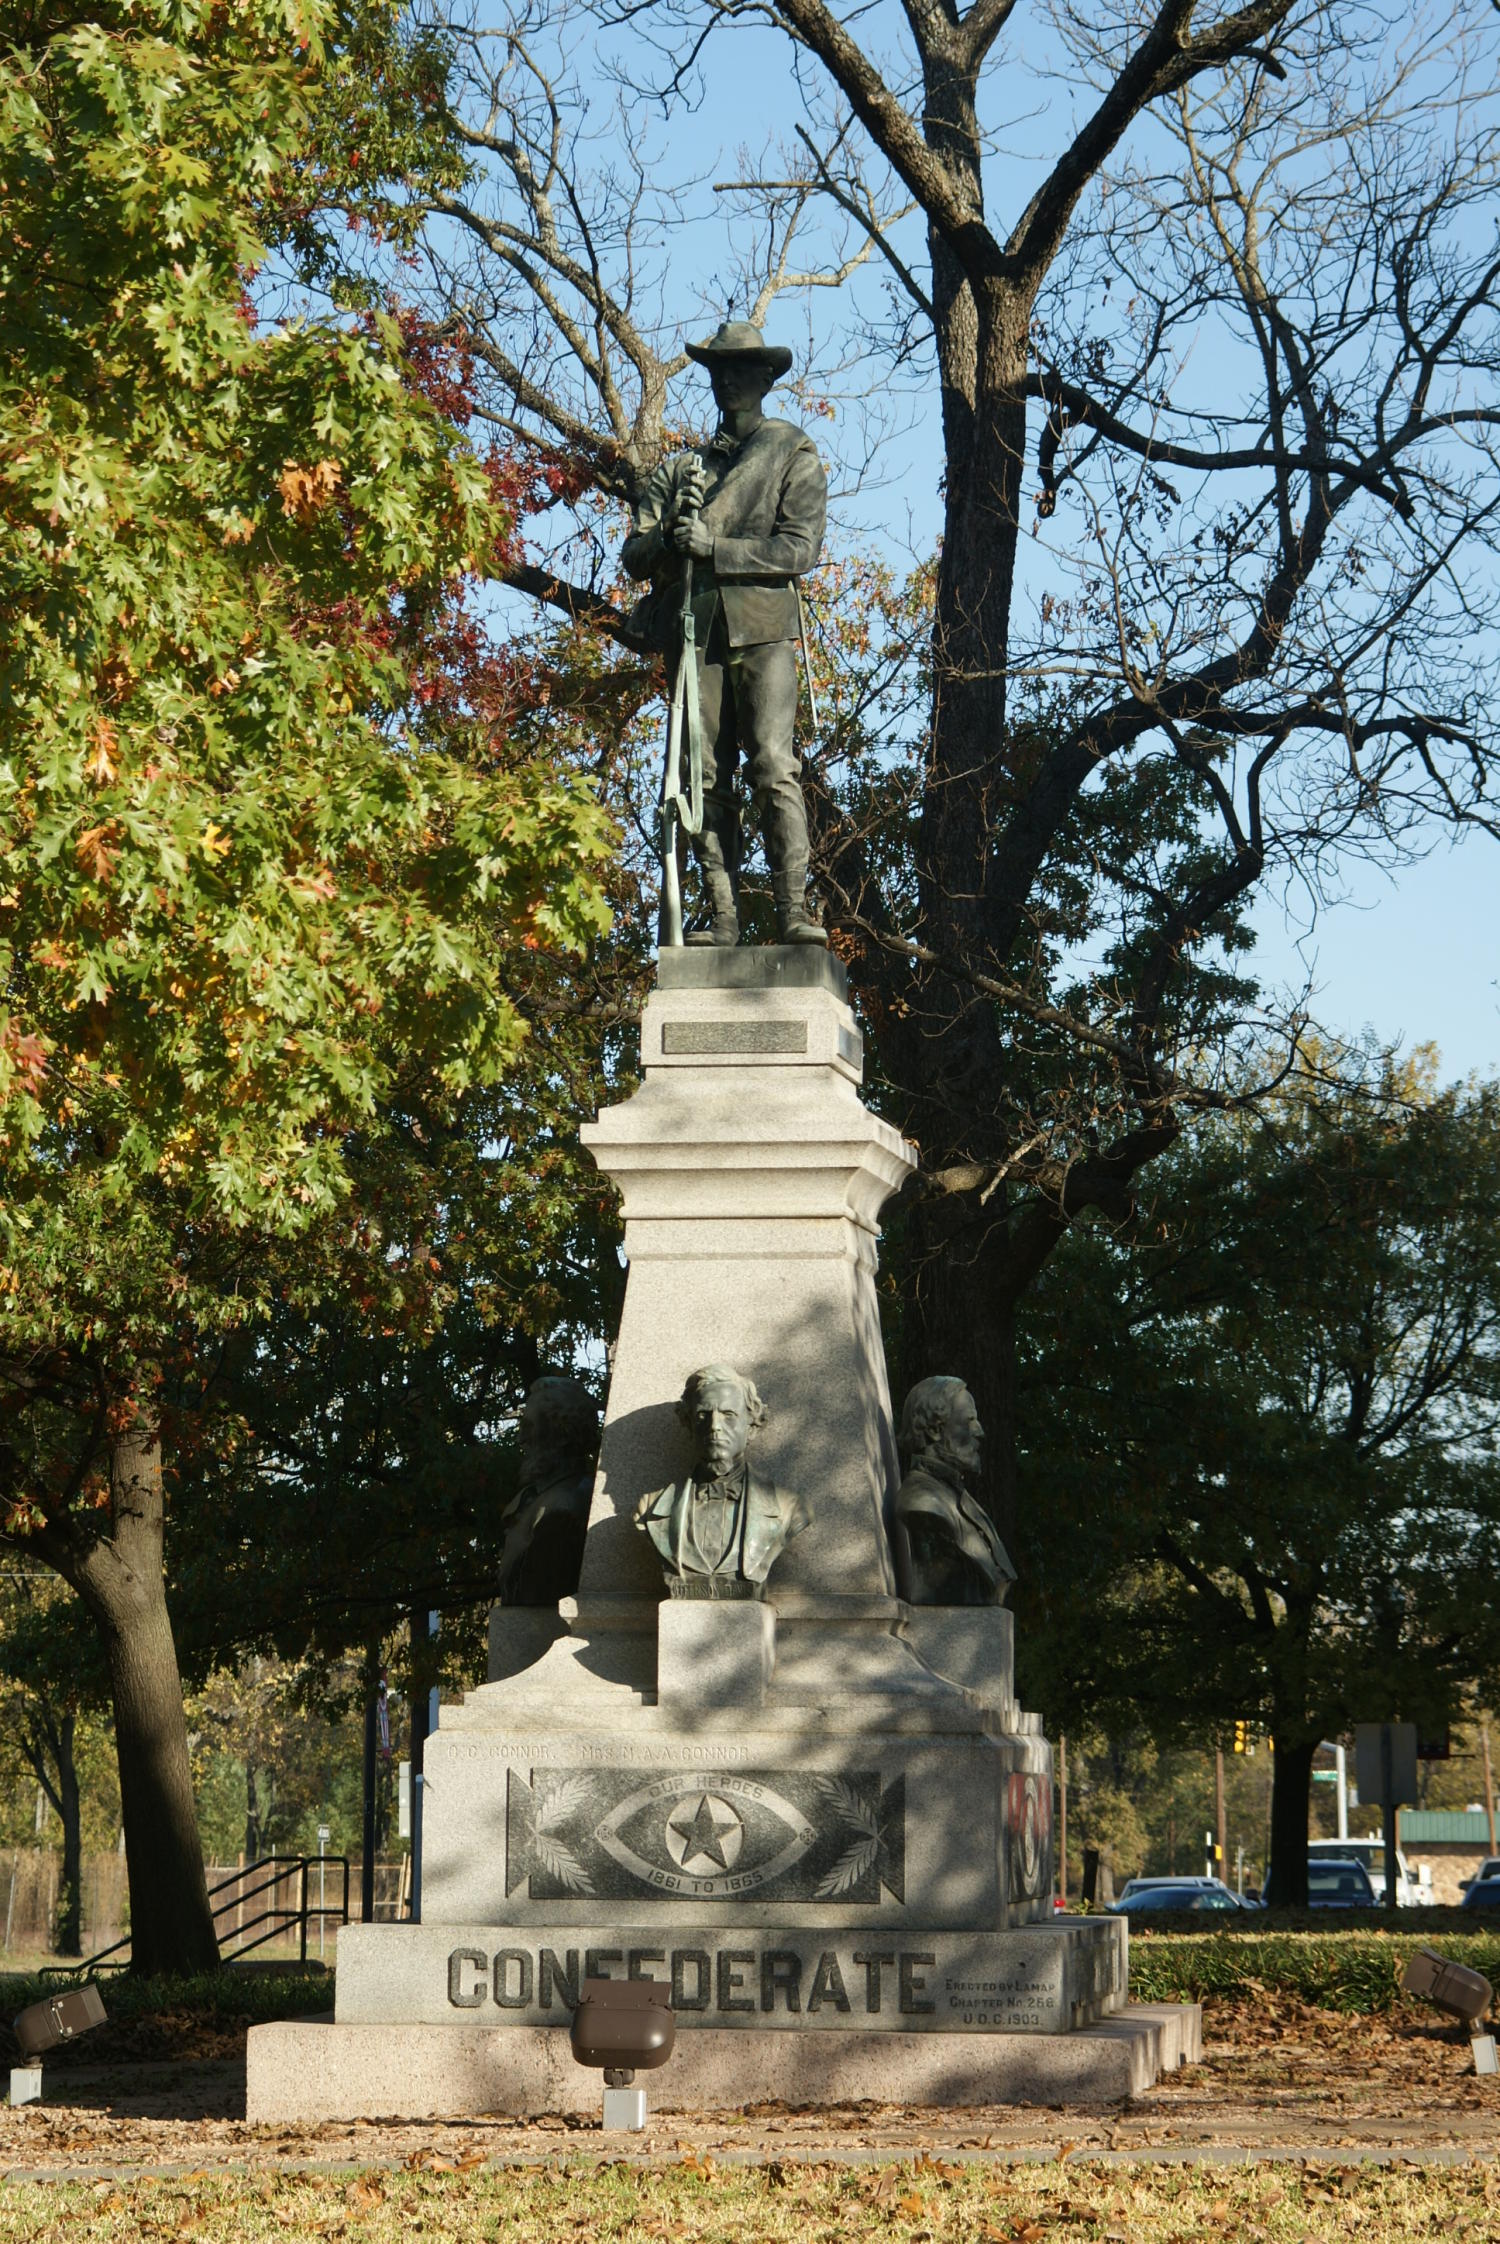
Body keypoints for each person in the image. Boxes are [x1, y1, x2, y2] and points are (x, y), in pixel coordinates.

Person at [622, 319, 827, 947]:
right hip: (695, 632)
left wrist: (715, 547)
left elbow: (799, 550)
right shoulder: (681, 470)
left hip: (763, 628)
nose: (727, 380)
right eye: (718, 370)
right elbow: (635, 557)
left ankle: (794, 910)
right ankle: (722, 917)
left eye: (739, 369)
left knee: (773, 765)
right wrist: (669, 535)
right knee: (702, 774)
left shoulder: (790, 449)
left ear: (765, 378)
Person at [634, 1363, 811, 1596]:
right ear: (689, 1425)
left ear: (752, 1426)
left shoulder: (790, 1508)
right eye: (702, 1415)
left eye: (728, 1415)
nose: (715, 1426)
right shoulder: (650, 1509)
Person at [891, 1375, 1016, 1606]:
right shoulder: (921, 1502)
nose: (979, 1431)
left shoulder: (958, 1496)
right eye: (970, 1420)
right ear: (934, 1429)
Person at [495, 1375, 599, 1607]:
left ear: (562, 1434)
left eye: (529, 1427)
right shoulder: (535, 1497)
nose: (521, 1439)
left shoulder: (566, 1506)